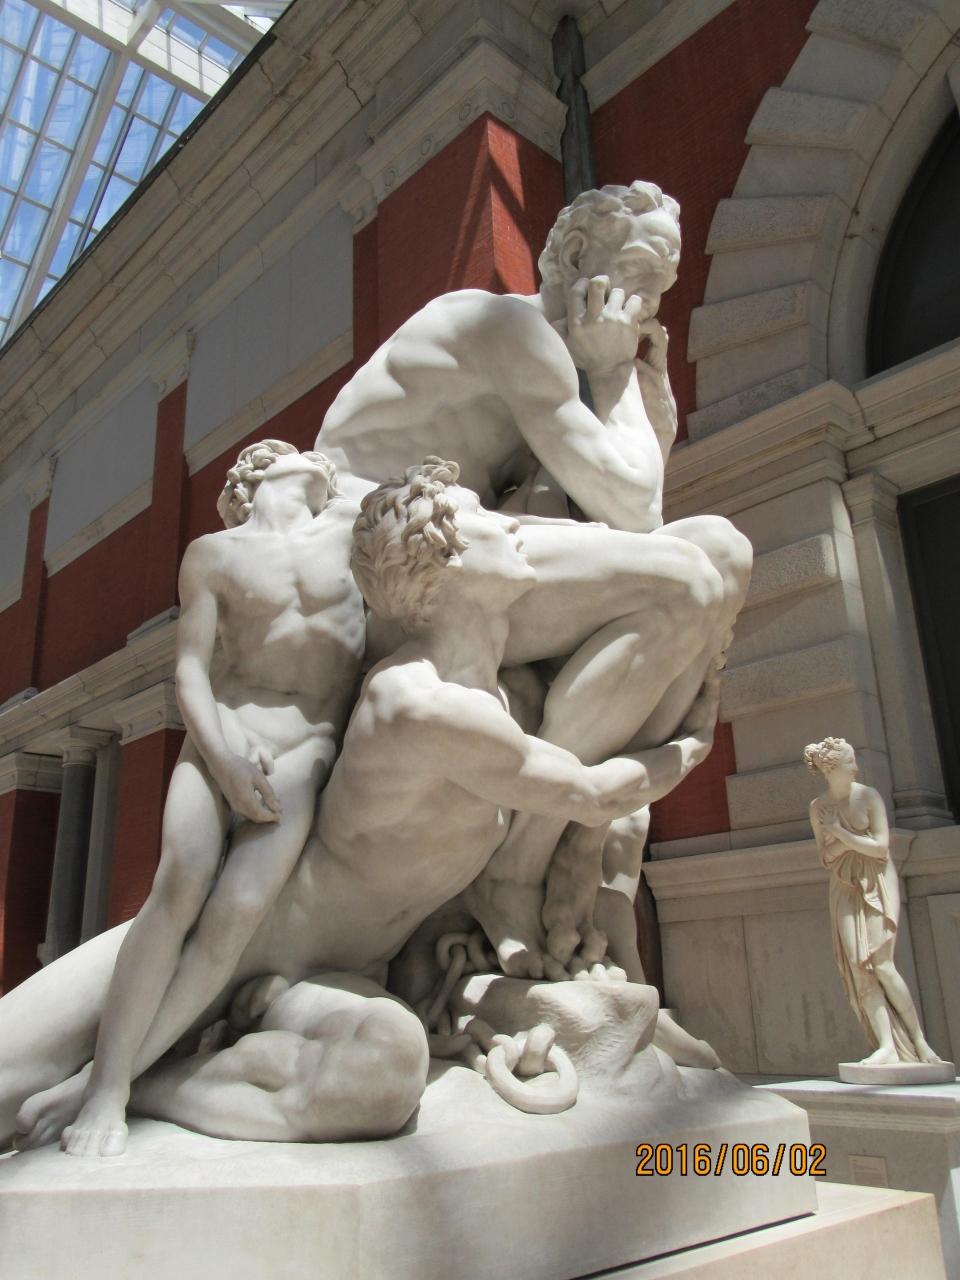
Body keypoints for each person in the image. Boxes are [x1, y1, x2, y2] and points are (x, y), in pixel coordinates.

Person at [4, 460, 720, 1151]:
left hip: (329, 972)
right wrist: (696, 736)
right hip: (236, 938)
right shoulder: (417, 702)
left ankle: (156, 1085)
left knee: (385, 1072)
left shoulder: (506, 698)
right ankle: (114, 1080)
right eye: (488, 519)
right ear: (448, 566)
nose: (514, 527)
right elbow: (596, 792)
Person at [315, 181, 752, 977]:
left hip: (462, 549)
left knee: (724, 553)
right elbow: (636, 509)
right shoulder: (509, 328)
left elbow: (615, 505)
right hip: (386, 568)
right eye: (638, 273)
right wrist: (615, 377)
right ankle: (520, 859)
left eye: (660, 288)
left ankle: (574, 835)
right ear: (577, 255)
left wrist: (630, 400)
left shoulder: (541, 368)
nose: (645, 306)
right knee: (688, 582)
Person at [20, 441, 366, 1158]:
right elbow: (190, 672)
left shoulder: (351, 522)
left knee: (236, 912)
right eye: (298, 454)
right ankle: (108, 1088)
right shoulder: (212, 554)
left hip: (307, 748)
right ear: (255, 473)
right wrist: (225, 755)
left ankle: (101, 1081)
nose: (320, 461)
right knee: (178, 883)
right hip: (223, 734)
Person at [805, 736, 942, 1067]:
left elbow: (880, 848)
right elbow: (825, 857)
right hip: (844, 884)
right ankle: (886, 1045)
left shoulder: (868, 797)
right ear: (832, 769)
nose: (856, 767)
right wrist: (851, 841)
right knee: (858, 967)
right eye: (850, 762)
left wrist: (840, 833)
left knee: (882, 963)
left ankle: (920, 1043)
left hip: (877, 881)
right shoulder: (818, 807)